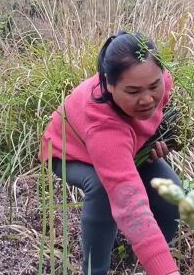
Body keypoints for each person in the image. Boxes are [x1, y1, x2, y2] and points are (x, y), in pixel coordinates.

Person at [39, 31, 182, 275]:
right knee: (104, 189)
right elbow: (130, 204)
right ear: (109, 84)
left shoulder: (162, 81)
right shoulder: (103, 128)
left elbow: (158, 105)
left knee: (170, 190)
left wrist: (154, 142)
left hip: (122, 150)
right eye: (134, 91)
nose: (148, 99)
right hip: (68, 152)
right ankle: (96, 269)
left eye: (154, 86)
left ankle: (145, 255)